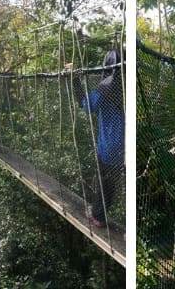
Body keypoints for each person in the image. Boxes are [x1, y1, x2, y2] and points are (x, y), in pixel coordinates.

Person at [66, 48, 126, 228]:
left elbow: (86, 105)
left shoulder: (107, 86)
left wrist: (74, 80)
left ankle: (98, 216)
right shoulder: (129, 82)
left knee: (106, 181)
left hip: (111, 144)